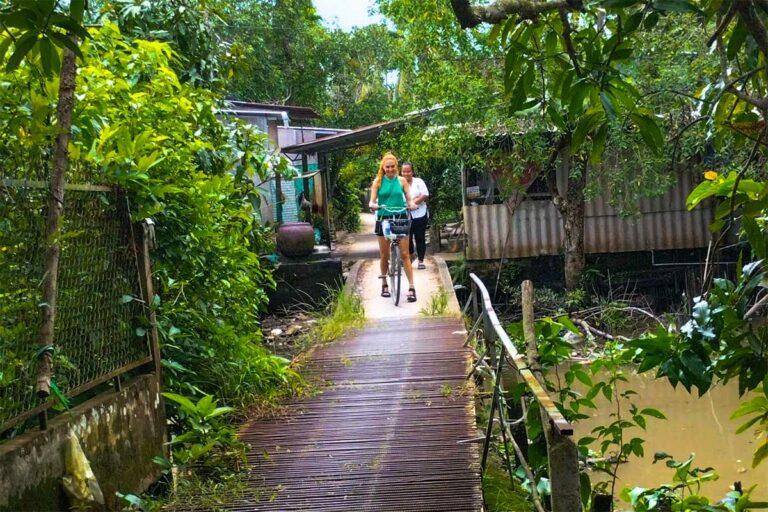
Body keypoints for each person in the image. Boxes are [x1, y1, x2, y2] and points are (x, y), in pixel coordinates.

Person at [368, 153, 418, 302]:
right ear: (383, 168)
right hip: (383, 218)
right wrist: (373, 205)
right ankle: (384, 283)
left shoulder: (402, 181)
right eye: (387, 167)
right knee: (384, 255)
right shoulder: (378, 181)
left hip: (401, 217)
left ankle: (411, 287)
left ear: (396, 167)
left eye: (392, 166)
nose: (390, 169)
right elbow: (371, 201)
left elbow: (409, 198)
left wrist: (412, 204)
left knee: (404, 254)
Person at [401, 162, 429, 269]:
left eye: (408, 171)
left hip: (419, 213)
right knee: (406, 238)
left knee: (420, 237)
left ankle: (421, 260)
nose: (406, 174)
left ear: (412, 172)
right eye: (404, 171)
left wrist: (413, 203)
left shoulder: (419, 182)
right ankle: (412, 255)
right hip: (404, 214)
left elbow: (424, 195)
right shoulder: (398, 183)